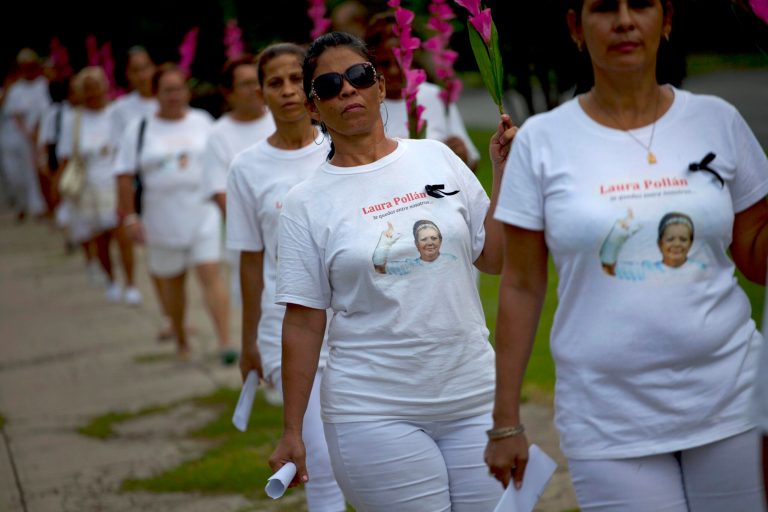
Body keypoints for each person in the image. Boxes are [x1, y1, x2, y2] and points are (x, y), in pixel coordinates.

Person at [485, 1, 768, 511]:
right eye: (602, 8)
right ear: (575, 26)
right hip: (607, 419)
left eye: (640, 4)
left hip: (732, 403)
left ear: (668, 21)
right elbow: (522, 285)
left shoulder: (718, 121)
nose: (623, 20)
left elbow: (754, 256)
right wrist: (506, 420)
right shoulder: (542, 142)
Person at [268, 31, 516, 511]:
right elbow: (303, 319)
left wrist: (504, 173)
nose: (347, 90)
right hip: (373, 410)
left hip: (474, 396)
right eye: (329, 85)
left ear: (381, 86)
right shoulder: (304, 203)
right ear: (314, 108)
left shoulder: (437, 157)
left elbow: (496, 258)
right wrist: (293, 431)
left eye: (359, 76)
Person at [226, 42, 346, 512]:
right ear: (261, 93)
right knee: (316, 456)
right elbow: (250, 259)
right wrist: (249, 341)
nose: (289, 90)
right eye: (276, 82)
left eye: (298, 79)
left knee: (364, 456)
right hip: (286, 327)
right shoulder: (247, 167)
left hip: (352, 323)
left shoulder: (341, 146)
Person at [114, 63, 235, 364]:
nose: (174, 96)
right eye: (167, 90)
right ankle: (181, 337)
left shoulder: (203, 122)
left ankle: (225, 342)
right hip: (161, 217)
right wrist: (130, 218)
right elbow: (124, 175)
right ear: (155, 93)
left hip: (201, 211)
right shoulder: (139, 129)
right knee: (174, 282)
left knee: (210, 273)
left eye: (179, 89)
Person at [57, 66, 139, 303]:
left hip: (115, 183)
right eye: (88, 89)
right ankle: (111, 280)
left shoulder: (118, 113)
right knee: (101, 238)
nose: (93, 93)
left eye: (97, 87)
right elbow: (65, 156)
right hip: (87, 186)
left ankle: (131, 283)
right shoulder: (74, 119)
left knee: (122, 235)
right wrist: (62, 192)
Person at [201, 54, 275, 312]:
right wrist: (258, 234)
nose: (254, 88)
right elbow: (220, 193)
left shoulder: (281, 119)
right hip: (253, 244)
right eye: (244, 83)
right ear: (228, 92)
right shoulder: (218, 135)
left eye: (258, 81)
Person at [364, 13, 481, 171]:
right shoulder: (366, 104)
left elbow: (472, 162)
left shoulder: (435, 96)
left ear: (413, 57)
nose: (392, 71)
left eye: (400, 61)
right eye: (384, 63)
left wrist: (460, 154)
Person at [108, 46, 160, 310]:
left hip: (161, 183)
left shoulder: (167, 100)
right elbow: (119, 156)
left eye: (146, 67)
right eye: (136, 69)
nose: (143, 74)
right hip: (134, 182)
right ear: (128, 74)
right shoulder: (120, 109)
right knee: (127, 234)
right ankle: (130, 282)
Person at [1, 48, 50, 221]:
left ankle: (38, 207)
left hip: (37, 136)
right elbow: (14, 113)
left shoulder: (43, 85)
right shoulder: (15, 89)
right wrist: (26, 131)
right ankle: (21, 203)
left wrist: (35, 132)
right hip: (13, 136)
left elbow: (46, 111)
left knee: (33, 172)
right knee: (13, 173)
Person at [372, 219, 457, 274]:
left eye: (434, 238)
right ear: (417, 244)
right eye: (424, 239)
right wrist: (384, 244)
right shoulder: (408, 266)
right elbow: (379, 269)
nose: (430, 243)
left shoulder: (452, 260)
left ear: (440, 241)